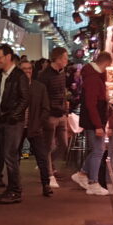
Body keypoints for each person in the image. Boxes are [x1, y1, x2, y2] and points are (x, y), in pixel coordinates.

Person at [72, 51, 113, 196]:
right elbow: (91, 104)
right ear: (106, 64)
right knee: (98, 151)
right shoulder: (93, 79)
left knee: (98, 150)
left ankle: (83, 174)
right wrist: (98, 125)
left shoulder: (93, 76)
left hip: (93, 120)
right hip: (93, 121)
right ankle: (93, 182)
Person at [0, 43, 29, 204]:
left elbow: (25, 99)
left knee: (10, 156)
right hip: (3, 120)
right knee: (7, 155)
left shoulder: (19, 76)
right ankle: (11, 189)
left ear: (8, 57)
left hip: (13, 122)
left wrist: (14, 116)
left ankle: (15, 191)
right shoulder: (1, 75)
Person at [19, 59, 54, 197]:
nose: (27, 71)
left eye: (29, 68)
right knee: (15, 157)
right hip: (18, 127)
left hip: (34, 127)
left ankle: (46, 184)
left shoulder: (39, 87)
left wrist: (38, 123)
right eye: (24, 69)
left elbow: (46, 108)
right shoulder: (15, 86)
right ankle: (14, 185)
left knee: (42, 156)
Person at [38, 46, 70, 188]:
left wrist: (65, 110)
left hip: (61, 114)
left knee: (63, 144)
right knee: (48, 146)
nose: (67, 61)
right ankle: (49, 175)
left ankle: (49, 164)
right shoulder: (44, 76)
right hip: (50, 115)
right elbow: (41, 97)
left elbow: (62, 92)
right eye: (65, 58)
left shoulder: (62, 73)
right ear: (58, 59)